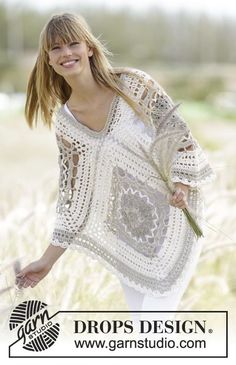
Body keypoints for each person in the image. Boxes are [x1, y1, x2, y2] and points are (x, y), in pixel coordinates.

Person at [16, 13, 215, 324]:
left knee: (152, 332)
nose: (66, 53)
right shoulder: (67, 126)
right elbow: (74, 203)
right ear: (48, 59)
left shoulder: (134, 85)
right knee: (143, 333)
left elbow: (177, 135)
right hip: (128, 241)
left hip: (176, 222)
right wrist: (47, 261)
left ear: (90, 48)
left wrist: (182, 184)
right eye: (56, 48)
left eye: (73, 44)